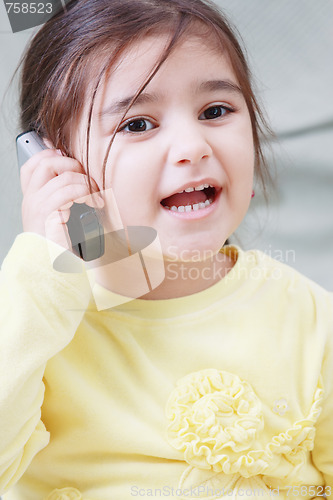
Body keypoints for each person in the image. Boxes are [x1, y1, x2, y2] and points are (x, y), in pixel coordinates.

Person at [0, 0, 332, 498]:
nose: (192, 145)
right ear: (54, 163)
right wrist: (39, 268)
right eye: (137, 124)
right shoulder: (34, 322)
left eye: (215, 111)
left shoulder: (309, 316)